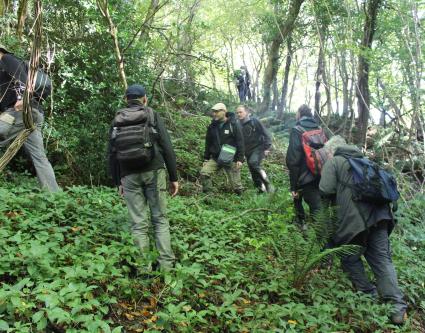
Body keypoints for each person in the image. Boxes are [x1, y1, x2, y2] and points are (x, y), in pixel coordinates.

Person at [319, 144, 407, 325]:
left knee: (348, 256)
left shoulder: (334, 162)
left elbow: (325, 189)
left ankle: (368, 295)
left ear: (332, 150)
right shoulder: (367, 162)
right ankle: (397, 309)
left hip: (355, 219)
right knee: (382, 259)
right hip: (381, 216)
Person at [108, 84, 179, 271]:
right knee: (160, 219)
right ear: (145, 99)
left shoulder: (117, 119)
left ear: (126, 99)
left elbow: (111, 153)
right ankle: (166, 266)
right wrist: (174, 177)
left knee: (138, 223)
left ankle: (143, 268)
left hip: (128, 175)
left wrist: (118, 181)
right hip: (154, 171)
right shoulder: (151, 114)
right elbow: (167, 147)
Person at [0, 44, 60, 192]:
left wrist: (23, 98)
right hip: (33, 114)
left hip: (22, 111)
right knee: (39, 156)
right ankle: (54, 195)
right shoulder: (2, 72)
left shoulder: (7, 59)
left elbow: (22, 78)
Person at [285, 104, 323, 227]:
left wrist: (293, 185)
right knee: (317, 202)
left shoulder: (297, 130)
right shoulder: (319, 128)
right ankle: (302, 222)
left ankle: (318, 235)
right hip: (321, 171)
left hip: (304, 175)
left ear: (300, 113)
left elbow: (293, 160)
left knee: (314, 206)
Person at [201, 102, 244, 194]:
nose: (214, 114)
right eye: (213, 112)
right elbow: (208, 143)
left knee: (237, 187)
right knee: (204, 173)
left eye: (216, 111)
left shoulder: (233, 124)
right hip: (215, 158)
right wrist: (206, 158)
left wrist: (240, 159)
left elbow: (240, 142)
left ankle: (241, 202)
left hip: (231, 158)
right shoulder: (212, 126)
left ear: (224, 112)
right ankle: (209, 196)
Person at [236, 105, 273, 193]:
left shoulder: (254, 121)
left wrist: (267, 147)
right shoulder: (237, 125)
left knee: (253, 163)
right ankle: (260, 189)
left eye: (240, 112)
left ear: (246, 112)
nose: (238, 114)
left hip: (258, 148)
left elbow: (265, 133)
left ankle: (267, 183)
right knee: (253, 170)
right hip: (247, 151)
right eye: (237, 113)